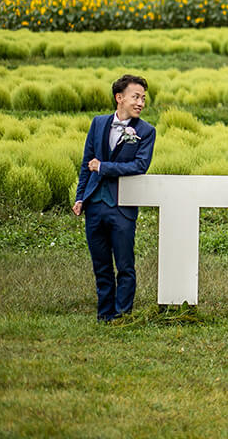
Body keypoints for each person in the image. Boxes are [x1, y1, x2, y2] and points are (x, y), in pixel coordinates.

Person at [73, 75, 156, 321]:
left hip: (122, 207)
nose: (140, 102)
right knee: (101, 265)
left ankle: (122, 315)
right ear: (119, 98)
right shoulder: (98, 124)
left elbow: (139, 166)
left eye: (143, 98)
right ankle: (104, 314)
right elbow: (87, 163)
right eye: (136, 97)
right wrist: (80, 197)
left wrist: (104, 167)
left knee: (125, 265)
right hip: (95, 205)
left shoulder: (146, 131)